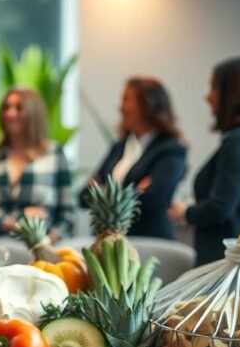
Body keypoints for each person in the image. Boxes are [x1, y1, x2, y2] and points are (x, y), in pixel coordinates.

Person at [168, 56, 240, 266]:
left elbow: (220, 208)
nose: (207, 97)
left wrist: (185, 213)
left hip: (235, 265)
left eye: (213, 88)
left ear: (233, 95)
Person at [80, 77, 187, 239]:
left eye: (126, 99)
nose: (120, 107)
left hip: (148, 241)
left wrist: (104, 192)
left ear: (148, 105)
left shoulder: (170, 150)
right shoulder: (119, 147)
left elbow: (152, 200)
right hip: (106, 240)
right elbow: (83, 196)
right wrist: (135, 191)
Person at [0, 86, 73, 239]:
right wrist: (15, 220)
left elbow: (68, 213)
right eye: (6, 107)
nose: (10, 113)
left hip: (42, 250)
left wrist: (48, 241)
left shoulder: (53, 154)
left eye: (19, 108)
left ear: (34, 113)